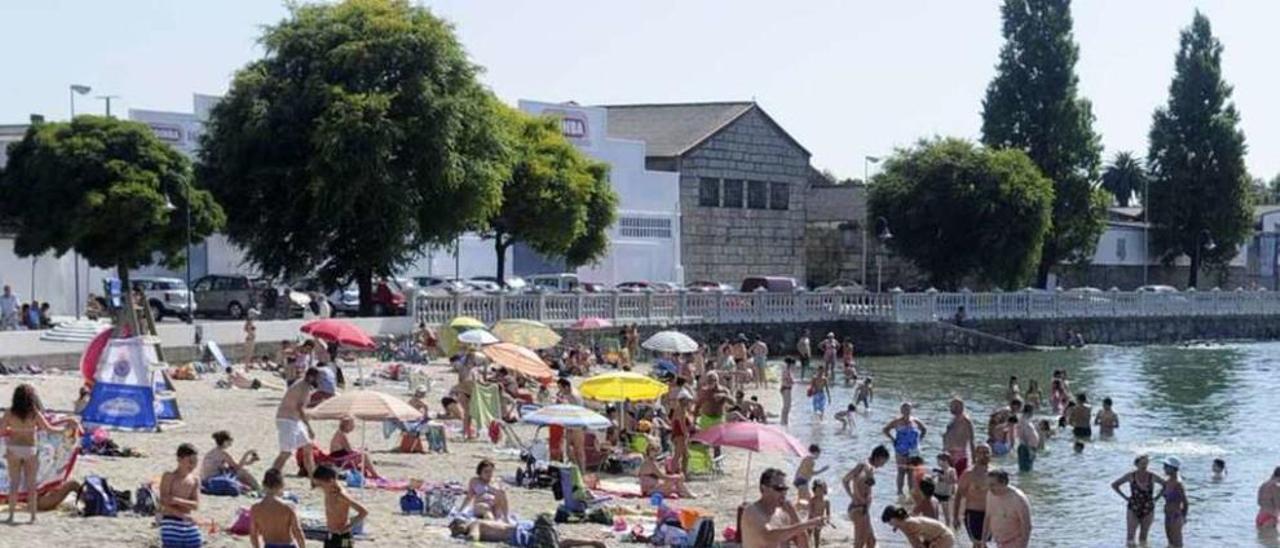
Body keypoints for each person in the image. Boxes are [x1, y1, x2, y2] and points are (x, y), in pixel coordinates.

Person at [3, 384, 75, 523]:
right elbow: (49, 429)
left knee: (14, 483)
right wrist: (65, 430)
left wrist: (11, 432)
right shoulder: (34, 413)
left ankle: (11, 516)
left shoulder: (9, 413)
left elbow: (0, 430)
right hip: (30, 449)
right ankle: (32, 517)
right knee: (31, 484)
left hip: (14, 449)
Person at [740, 468, 826, 548]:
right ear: (764, 488)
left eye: (785, 489)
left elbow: (803, 545)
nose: (783, 493)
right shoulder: (752, 511)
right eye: (779, 488)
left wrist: (793, 515)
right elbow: (768, 536)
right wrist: (806, 524)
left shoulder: (784, 513)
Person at [271, 368, 319, 477]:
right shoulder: (304, 387)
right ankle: (271, 478)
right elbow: (300, 408)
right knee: (286, 452)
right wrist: (309, 427)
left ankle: (314, 478)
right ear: (312, 377)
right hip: (287, 420)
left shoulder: (302, 384)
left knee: (308, 447)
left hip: (294, 421)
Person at [1111, 454, 1165, 546]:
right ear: (1136, 464)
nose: (1144, 466)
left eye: (1146, 464)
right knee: (1130, 538)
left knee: (1143, 538)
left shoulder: (1152, 476)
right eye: (1142, 464)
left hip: (1148, 508)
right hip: (1133, 507)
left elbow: (1166, 485)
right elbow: (1114, 485)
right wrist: (1125, 497)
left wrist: (1157, 498)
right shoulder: (1131, 476)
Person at [842, 445, 891, 548]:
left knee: (871, 541)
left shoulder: (863, 465)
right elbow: (856, 483)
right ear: (879, 457)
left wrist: (853, 496)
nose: (883, 465)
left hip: (861, 509)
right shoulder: (867, 468)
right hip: (859, 509)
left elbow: (845, 480)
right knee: (859, 543)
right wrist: (858, 497)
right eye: (884, 462)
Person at [447, 517, 607, 547]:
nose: (455, 532)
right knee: (559, 541)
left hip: (516, 535)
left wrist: (462, 537)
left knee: (556, 544)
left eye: (456, 529)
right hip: (520, 528)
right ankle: (590, 542)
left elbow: (473, 538)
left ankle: (590, 543)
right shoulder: (480, 521)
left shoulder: (475, 523)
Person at [159, 443, 203, 548]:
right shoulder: (169, 476)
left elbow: (196, 505)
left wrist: (177, 500)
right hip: (171, 519)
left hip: (188, 520)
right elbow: (163, 502)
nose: (192, 465)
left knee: (196, 542)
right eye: (190, 462)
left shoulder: (195, 480)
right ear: (179, 460)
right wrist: (180, 513)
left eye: (195, 462)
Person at [313, 464, 368, 548]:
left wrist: (348, 527)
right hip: (330, 534)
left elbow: (363, 512)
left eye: (321, 484)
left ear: (331, 481)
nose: (320, 487)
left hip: (343, 536)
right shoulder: (328, 490)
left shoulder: (340, 495)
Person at [249, 468, 306, 548]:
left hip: (269, 545)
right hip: (287, 545)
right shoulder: (289, 506)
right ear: (281, 485)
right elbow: (297, 531)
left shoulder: (255, 508)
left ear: (263, 484)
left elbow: (254, 534)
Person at [883, 402, 927, 495]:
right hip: (901, 449)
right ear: (901, 410)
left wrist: (919, 440)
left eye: (908, 408)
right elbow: (885, 429)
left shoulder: (915, 421)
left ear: (911, 410)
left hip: (913, 450)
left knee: (911, 472)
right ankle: (899, 492)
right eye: (904, 409)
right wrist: (892, 439)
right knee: (901, 471)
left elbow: (924, 429)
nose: (906, 410)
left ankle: (911, 492)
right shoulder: (897, 421)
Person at [954, 444, 993, 547]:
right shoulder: (969, 474)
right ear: (976, 454)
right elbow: (958, 495)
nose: (985, 455)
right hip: (973, 513)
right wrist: (955, 516)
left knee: (984, 543)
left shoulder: (994, 473)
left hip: (990, 513)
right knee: (978, 543)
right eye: (982, 452)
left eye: (987, 452)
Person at [982, 469, 1032, 548]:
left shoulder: (1018, 499)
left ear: (1004, 483)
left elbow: (1026, 526)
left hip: (1015, 542)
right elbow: (988, 517)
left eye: (993, 485)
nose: (990, 488)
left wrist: (1023, 546)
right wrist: (983, 541)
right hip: (999, 543)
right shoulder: (990, 494)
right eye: (988, 485)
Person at [882, 504, 955, 548]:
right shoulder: (904, 521)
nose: (889, 524)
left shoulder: (907, 525)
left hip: (944, 538)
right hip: (939, 536)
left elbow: (916, 544)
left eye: (889, 521)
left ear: (894, 518)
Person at [943, 397, 976, 477]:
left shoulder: (965, 420)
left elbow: (972, 440)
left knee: (959, 478)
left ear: (960, 407)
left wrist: (974, 460)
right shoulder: (953, 420)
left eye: (953, 406)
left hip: (959, 455)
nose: (950, 408)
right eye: (951, 405)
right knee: (949, 480)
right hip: (949, 454)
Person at [1162, 457, 1187, 548]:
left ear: (1173, 468)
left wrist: (1183, 517)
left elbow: (1185, 502)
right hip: (1167, 515)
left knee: (1177, 544)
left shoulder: (1178, 484)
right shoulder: (1167, 482)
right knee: (1170, 544)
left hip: (1176, 515)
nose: (1163, 468)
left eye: (1166, 466)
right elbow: (1160, 495)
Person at [934, 453, 958, 528]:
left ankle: (948, 527)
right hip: (936, 492)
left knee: (946, 513)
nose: (937, 462)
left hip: (945, 494)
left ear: (945, 461)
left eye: (939, 461)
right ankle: (936, 527)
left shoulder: (951, 470)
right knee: (935, 513)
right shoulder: (939, 470)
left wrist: (944, 477)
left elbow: (954, 481)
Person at [808, 479, 833, 546]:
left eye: (821, 490)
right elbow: (810, 510)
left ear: (824, 490)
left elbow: (828, 513)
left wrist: (828, 520)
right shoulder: (812, 500)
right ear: (814, 491)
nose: (819, 492)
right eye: (817, 490)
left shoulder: (826, 501)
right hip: (811, 520)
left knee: (817, 535)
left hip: (820, 521)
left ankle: (817, 546)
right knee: (808, 534)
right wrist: (814, 517)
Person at [1015, 404, 1039, 472]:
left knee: (1028, 470)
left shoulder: (1026, 420)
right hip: (1026, 448)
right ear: (1030, 411)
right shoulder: (1023, 421)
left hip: (1028, 448)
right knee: (1026, 470)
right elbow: (1023, 435)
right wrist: (1029, 449)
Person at [1257, 466, 1280, 531]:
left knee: (1263, 540)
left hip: (1260, 515)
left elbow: (1259, 502)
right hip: (1270, 518)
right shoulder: (1275, 487)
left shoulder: (1263, 485)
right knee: (1271, 540)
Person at [779, 357, 795, 425]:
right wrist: (792, 381)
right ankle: (784, 421)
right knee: (787, 406)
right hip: (786, 388)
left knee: (787, 406)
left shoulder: (787, 370)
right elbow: (788, 380)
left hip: (786, 388)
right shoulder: (787, 371)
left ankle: (785, 421)